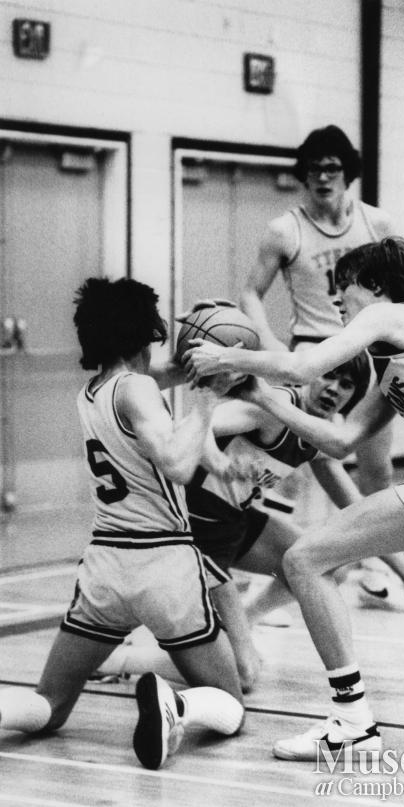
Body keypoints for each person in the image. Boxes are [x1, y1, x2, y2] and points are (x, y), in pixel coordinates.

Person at [184, 236, 404, 759]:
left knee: (302, 559)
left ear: (373, 287)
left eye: (342, 291)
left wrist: (227, 355)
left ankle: (352, 722)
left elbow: (303, 367)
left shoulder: (391, 314)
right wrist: (259, 396)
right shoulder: (395, 360)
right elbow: (340, 441)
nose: (337, 304)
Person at [0, 277, 245, 771]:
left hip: (106, 567)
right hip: (162, 563)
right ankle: (176, 707)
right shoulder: (137, 388)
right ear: (147, 331)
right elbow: (177, 463)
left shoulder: (91, 392)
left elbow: (157, 377)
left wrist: (208, 365)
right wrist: (208, 399)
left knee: (49, 706)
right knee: (231, 701)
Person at [93, 355, 404, 694]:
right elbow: (195, 425)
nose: (333, 388)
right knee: (243, 676)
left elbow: (360, 513)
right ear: (309, 374)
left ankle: (243, 622)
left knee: (328, 561)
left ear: (354, 396)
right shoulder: (274, 408)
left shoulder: (317, 434)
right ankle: (121, 661)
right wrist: (219, 462)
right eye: (328, 375)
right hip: (194, 533)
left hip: (234, 524)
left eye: (346, 384)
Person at [241, 124, 398, 596]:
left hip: (367, 356)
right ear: (303, 176)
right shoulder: (284, 229)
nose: (322, 177)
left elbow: (398, 291)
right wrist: (272, 345)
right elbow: (251, 291)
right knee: (290, 468)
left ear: (347, 172)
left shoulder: (378, 224)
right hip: (313, 354)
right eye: (313, 169)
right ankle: (267, 578)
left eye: (331, 168)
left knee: (376, 467)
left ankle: (373, 562)